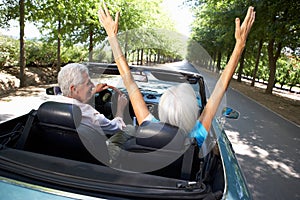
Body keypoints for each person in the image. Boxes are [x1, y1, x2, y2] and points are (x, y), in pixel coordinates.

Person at [98, 4, 255, 148]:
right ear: (192, 114)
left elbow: (128, 79)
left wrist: (112, 36)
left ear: (162, 111)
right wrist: (240, 45)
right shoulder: (197, 136)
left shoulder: (148, 124)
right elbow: (221, 86)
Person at [57, 63, 128, 135]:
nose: (93, 85)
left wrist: (94, 91)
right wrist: (120, 108)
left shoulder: (52, 105)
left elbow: (76, 102)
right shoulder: (90, 115)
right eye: (88, 83)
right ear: (74, 89)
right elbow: (117, 128)